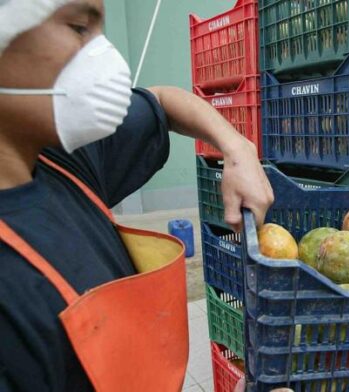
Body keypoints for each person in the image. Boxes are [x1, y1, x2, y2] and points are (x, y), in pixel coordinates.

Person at [0, 1, 273, 391]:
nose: (106, 60)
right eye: (78, 26)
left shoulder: (59, 162)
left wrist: (236, 147)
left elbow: (162, 101)